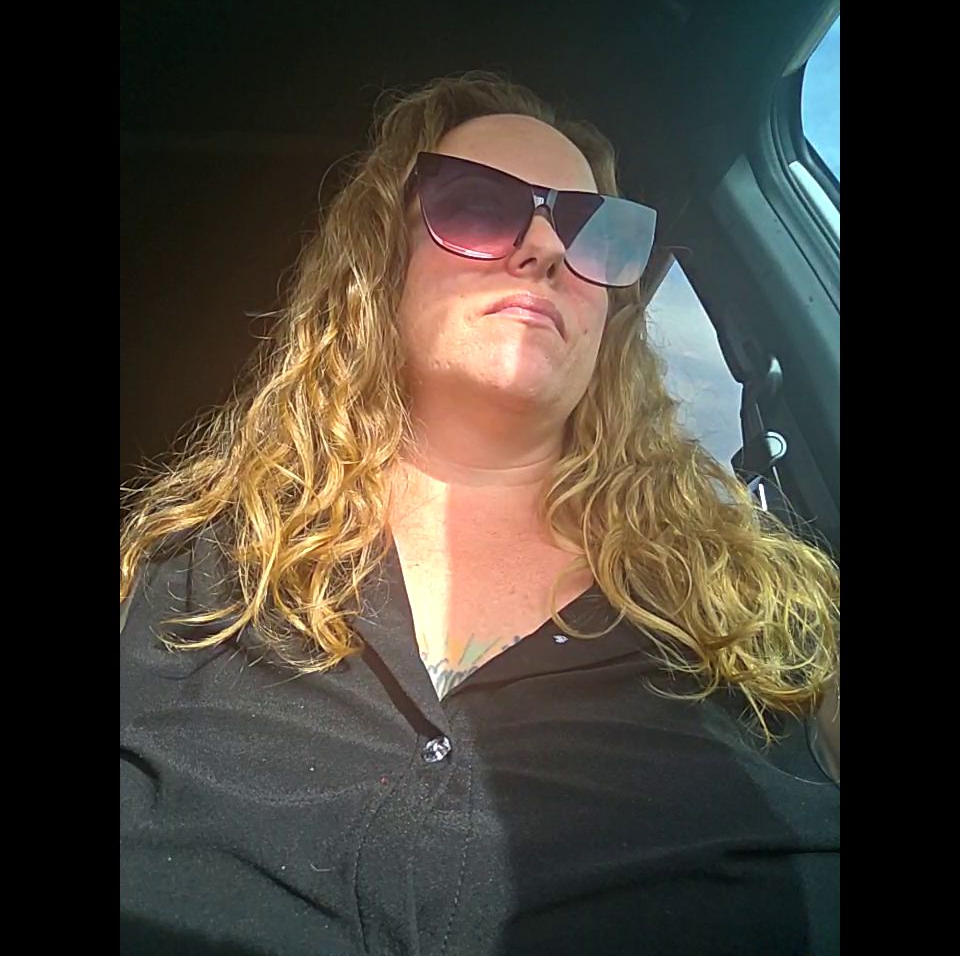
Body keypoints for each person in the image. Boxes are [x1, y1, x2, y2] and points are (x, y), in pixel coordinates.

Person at [120, 70, 839, 956]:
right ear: (383, 270)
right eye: (475, 206)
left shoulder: (760, 624)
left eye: (592, 230)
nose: (543, 248)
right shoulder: (187, 582)